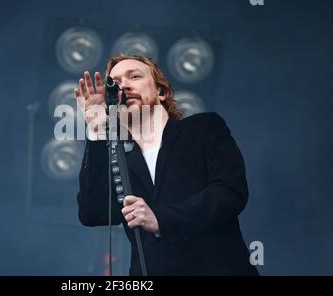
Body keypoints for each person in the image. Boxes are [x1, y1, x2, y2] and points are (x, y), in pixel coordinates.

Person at [74, 55, 259, 276]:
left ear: (161, 92)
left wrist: (161, 219)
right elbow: (93, 213)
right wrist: (96, 130)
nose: (123, 85)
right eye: (115, 83)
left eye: (134, 76)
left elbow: (230, 192)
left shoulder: (203, 128)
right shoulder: (123, 162)